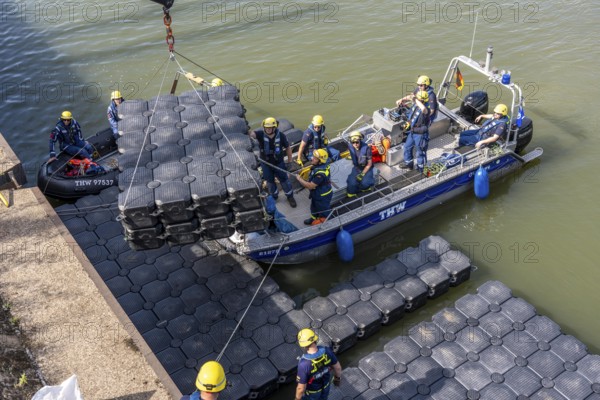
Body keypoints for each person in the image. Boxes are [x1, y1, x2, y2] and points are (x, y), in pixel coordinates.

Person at [250, 117, 297, 207]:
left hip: (279, 163)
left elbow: (288, 148)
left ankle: (290, 196)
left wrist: (290, 162)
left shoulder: (281, 136)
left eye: (270, 127)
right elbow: (252, 134)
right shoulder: (260, 135)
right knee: (270, 182)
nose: (268, 129)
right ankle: (274, 196)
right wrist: (247, 129)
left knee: (284, 181)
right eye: (266, 127)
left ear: (274, 127)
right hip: (266, 164)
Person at [295, 328, 342, 400]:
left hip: (312, 393)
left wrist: (297, 399)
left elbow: (301, 388)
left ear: (303, 345)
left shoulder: (304, 364)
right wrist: (337, 379)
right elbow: (337, 368)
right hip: (326, 386)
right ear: (315, 340)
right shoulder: (327, 351)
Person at [295, 149, 333, 226]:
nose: (312, 158)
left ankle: (325, 222)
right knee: (314, 207)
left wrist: (299, 179)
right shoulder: (318, 166)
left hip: (323, 195)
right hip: (317, 193)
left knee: (324, 210)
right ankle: (314, 217)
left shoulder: (320, 174)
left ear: (320, 161)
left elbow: (310, 186)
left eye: (315, 158)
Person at [402, 90, 431, 171]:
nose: (415, 100)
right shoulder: (415, 105)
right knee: (407, 147)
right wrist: (402, 100)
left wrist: (415, 99)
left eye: (418, 99)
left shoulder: (426, 109)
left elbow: (423, 108)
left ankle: (421, 168)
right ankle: (408, 163)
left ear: (422, 100)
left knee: (420, 152)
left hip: (421, 135)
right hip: (412, 132)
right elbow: (410, 98)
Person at [346, 131, 374, 197]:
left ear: (360, 141)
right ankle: (352, 194)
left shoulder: (366, 148)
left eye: (357, 142)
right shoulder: (350, 146)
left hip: (366, 168)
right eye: (353, 142)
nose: (355, 144)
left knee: (365, 182)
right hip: (357, 167)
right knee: (351, 183)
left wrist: (362, 174)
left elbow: (369, 164)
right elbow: (352, 153)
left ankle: (365, 190)